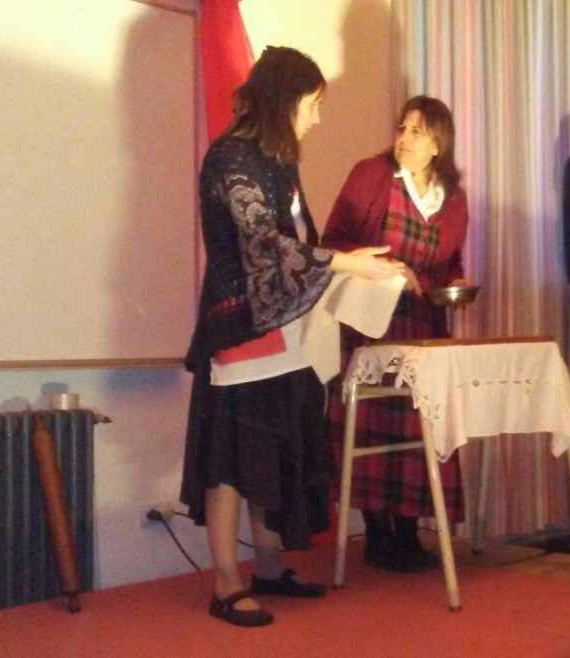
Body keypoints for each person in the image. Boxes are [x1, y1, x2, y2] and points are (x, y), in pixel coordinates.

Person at [179, 46, 404, 628]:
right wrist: (346, 263)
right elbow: (263, 242)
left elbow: (299, 243)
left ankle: (269, 568)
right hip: (241, 325)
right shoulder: (231, 156)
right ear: (285, 100)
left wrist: (354, 266)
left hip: (289, 329)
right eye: (313, 104)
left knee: (273, 451)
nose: (317, 117)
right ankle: (226, 584)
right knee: (231, 459)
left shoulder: (277, 160)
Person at [322, 96, 470, 573]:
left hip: (423, 327)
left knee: (418, 427)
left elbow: (448, 264)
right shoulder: (371, 175)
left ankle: (407, 534)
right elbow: (333, 242)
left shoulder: (453, 200)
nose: (403, 138)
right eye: (402, 128)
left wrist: (456, 284)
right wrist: (389, 267)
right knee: (373, 426)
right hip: (370, 325)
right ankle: (378, 537)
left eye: (416, 131)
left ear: (438, 144)